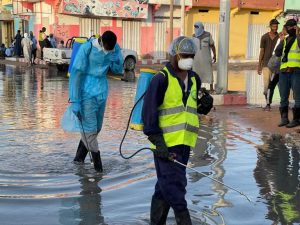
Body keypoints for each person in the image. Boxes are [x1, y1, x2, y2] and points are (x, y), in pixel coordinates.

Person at [142, 36, 212, 224]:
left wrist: (205, 105)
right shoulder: (161, 79)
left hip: (185, 143)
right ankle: (184, 219)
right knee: (176, 187)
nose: (188, 59)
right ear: (174, 54)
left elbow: (192, 109)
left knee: (164, 188)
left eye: (191, 56)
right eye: (184, 55)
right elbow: (148, 116)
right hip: (166, 145)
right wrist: (159, 143)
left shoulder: (194, 79)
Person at [61, 30, 124, 172]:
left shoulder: (114, 48)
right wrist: (75, 100)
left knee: (96, 128)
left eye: (111, 49)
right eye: (108, 49)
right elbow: (76, 73)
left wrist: (117, 60)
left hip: (101, 90)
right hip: (85, 92)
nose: (109, 51)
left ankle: (78, 160)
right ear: (102, 42)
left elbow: (116, 69)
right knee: (89, 129)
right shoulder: (87, 48)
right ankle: (98, 169)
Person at [275, 19, 300, 128]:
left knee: (298, 97)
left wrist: (298, 34)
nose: (287, 30)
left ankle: (296, 119)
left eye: (290, 28)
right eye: (287, 28)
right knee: (283, 97)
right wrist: (281, 40)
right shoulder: (285, 40)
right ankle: (284, 119)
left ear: (295, 28)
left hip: (296, 71)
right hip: (284, 72)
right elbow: (277, 52)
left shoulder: (298, 38)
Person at [258, 19, 280, 110]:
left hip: (277, 65)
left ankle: (268, 104)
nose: (275, 28)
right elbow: (262, 51)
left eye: (276, 26)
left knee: (275, 85)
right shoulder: (264, 37)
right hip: (266, 64)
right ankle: (267, 100)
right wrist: (259, 65)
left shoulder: (280, 37)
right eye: (274, 26)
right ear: (270, 26)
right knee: (266, 85)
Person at [265, 27, 288, 111]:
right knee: (274, 86)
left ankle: (280, 104)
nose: (282, 31)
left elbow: (276, 52)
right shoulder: (281, 39)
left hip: (281, 67)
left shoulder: (285, 39)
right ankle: (269, 104)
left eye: (283, 29)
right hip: (277, 67)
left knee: (275, 86)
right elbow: (276, 53)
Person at [192, 21, 216, 92]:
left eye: (197, 27)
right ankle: (198, 87)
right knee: (197, 73)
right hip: (196, 59)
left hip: (206, 58)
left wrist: (214, 55)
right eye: (195, 27)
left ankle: (211, 88)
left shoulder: (208, 35)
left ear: (202, 27)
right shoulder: (193, 36)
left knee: (208, 72)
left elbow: (212, 46)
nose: (196, 29)